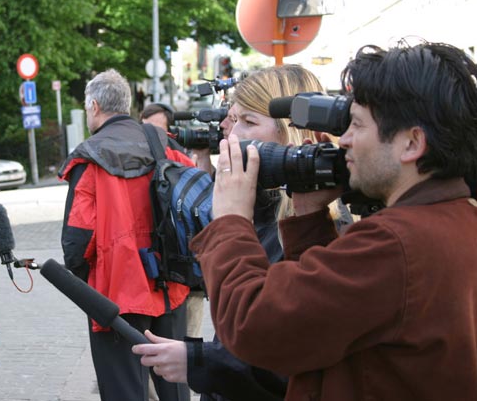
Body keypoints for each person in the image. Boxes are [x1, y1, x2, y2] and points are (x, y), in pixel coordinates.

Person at [192, 41, 477, 400]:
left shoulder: (396, 243)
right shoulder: (456, 219)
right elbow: (320, 325)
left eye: (356, 125)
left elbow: (254, 327)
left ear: (411, 143)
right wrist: (309, 219)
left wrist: (231, 219)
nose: (344, 141)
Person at [134, 64, 326, 401]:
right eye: (232, 120)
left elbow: (285, 354)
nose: (230, 135)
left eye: (247, 121)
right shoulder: (261, 211)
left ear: (291, 136)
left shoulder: (310, 228)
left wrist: (199, 361)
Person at [59, 69, 193, 401]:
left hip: (115, 295)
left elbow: (76, 242)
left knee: (124, 391)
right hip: (169, 286)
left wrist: (91, 281)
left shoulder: (89, 156)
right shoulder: (164, 143)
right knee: (175, 387)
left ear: (94, 106)